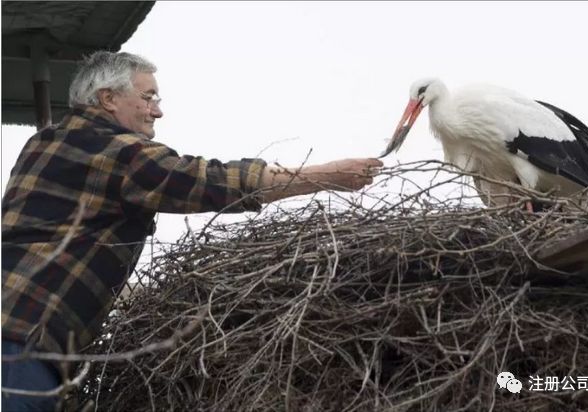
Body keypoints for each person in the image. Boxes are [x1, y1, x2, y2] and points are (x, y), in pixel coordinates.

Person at [1, 51, 382, 411]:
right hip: (19, 347)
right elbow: (204, 181)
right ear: (108, 99)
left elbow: (57, 243)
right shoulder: (112, 151)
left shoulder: (46, 143)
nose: (158, 111)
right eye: (148, 97)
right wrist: (326, 176)